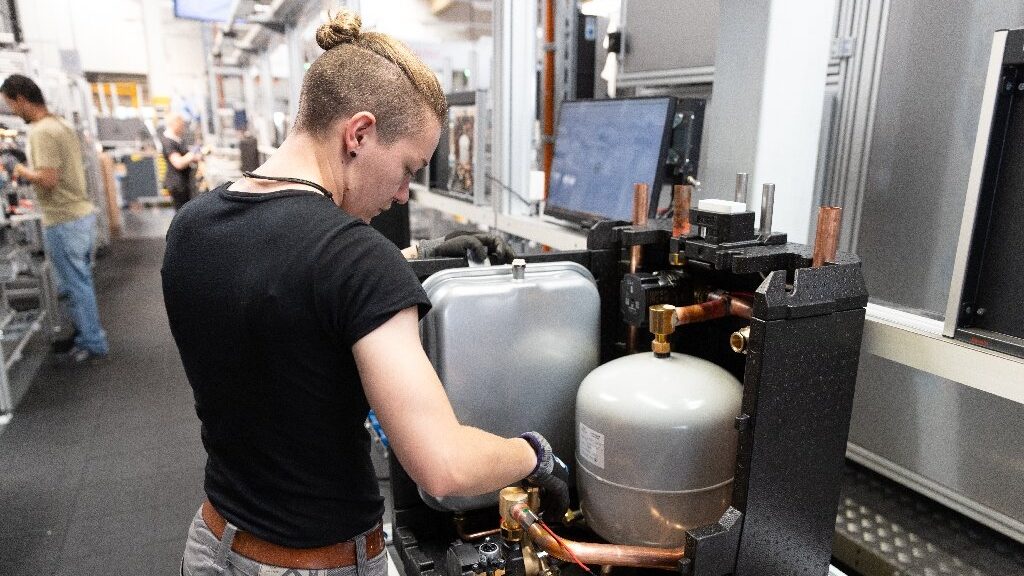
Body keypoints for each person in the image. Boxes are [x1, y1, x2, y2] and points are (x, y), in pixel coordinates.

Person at [162, 9, 561, 576]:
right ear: (359, 134)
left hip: (213, 544)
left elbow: (282, 283)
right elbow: (444, 467)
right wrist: (535, 454)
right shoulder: (356, 259)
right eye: (407, 168)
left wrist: (413, 257)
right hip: (315, 564)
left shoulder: (193, 226)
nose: (402, 195)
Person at [0, 74, 109, 362]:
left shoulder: (42, 132)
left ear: (21, 99)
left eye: (10, 105)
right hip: (79, 215)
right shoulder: (60, 124)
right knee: (78, 283)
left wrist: (18, 168)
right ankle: (87, 334)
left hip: (64, 218)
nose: (12, 111)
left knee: (75, 286)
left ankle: (91, 342)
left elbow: (48, 179)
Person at [160, 113, 201, 209]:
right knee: (182, 211)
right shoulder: (168, 142)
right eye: (181, 124)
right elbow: (178, 163)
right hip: (177, 184)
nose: (183, 127)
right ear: (175, 124)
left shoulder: (178, 139)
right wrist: (192, 154)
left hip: (184, 182)